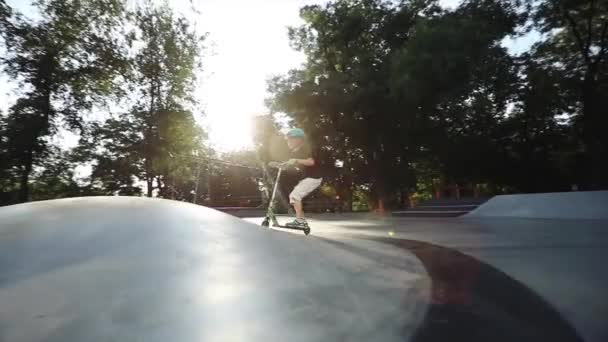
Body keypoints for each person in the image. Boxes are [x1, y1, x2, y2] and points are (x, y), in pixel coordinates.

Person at [270, 128, 322, 229]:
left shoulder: (304, 149)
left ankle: (300, 222)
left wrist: (296, 160)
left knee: (295, 195)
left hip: (313, 178)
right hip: (307, 179)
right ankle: (301, 221)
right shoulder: (293, 153)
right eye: (288, 139)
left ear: (298, 140)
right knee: (293, 196)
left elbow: (311, 162)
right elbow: (288, 165)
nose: (288, 142)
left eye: (290, 139)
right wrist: (278, 165)